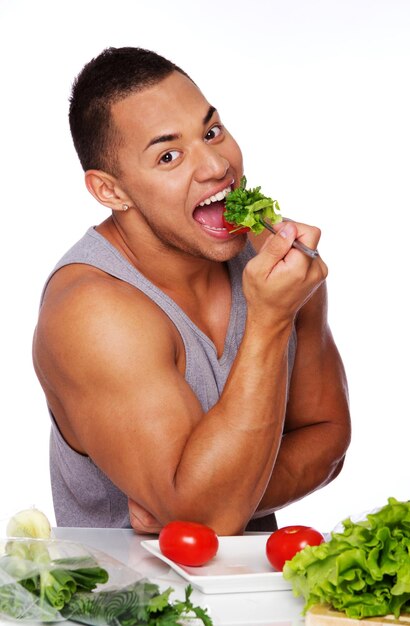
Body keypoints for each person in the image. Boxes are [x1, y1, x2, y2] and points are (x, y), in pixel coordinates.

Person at [33, 46, 351, 535]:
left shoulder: (277, 262)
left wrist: (214, 496)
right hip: (128, 605)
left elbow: (328, 441)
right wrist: (269, 322)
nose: (215, 166)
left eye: (211, 131)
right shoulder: (92, 310)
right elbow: (202, 519)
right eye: (168, 155)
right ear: (111, 191)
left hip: (252, 600)